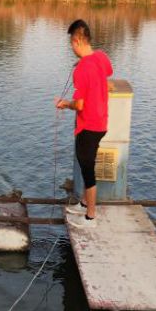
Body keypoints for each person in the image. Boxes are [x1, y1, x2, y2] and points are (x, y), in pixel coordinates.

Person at [55, 19, 113, 228]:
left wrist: (64, 104)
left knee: (87, 169)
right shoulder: (101, 57)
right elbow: (107, 73)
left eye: (71, 42)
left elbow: (79, 104)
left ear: (78, 40)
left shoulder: (81, 70)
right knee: (84, 163)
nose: (71, 47)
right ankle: (83, 202)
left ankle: (90, 216)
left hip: (89, 125)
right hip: (102, 121)